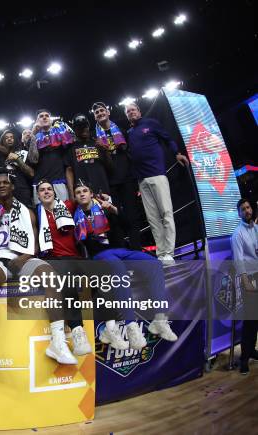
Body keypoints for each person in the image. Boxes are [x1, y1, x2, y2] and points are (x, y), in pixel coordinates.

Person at [0, 169, 71, 373]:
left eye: (5, 182)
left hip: (23, 259)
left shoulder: (27, 211)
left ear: (12, 186)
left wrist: (24, 257)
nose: (2, 185)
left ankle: (57, 342)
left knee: (50, 276)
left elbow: (35, 246)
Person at [72, 181, 178, 350]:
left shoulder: (105, 208)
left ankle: (159, 320)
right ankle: (131, 326)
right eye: (78, 192)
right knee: (118, 270)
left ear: (92, 194)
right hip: (100, 256)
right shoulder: (74, 215)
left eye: (85, 190)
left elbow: (129, 225)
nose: (82, 194)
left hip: (121, 251)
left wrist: (113, 209)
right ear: (75, 197)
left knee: (154, 264)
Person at [125, 103, 189, 262]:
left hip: (157, 175)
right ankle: (162, 254)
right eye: (128, 111)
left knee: (166, 214)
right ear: (126, 116)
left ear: (139, 111)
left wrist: (177, 153)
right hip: (141, 180)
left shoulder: (151, 123)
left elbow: (168, 138)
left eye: (133, 109)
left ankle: (170, 252)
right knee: (153, 219)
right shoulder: (129, 132)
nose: (131, 112)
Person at [34, 180, 92, 356]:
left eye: (49, 189)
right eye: (42, 190)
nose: (46, 192)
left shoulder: (67, 205)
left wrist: (98, 199)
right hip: (54, 258)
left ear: (54, 192)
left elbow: (84, 199)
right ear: (38, 195)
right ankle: (77, 332)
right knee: (66, 281)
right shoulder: (35, 213)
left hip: (77, 257)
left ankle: (113, 327)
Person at [92, 102, 142, 250]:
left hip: (127, 179)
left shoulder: (122, 130)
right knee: (114, 217)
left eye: (102, 110)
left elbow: (131, 154)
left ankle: (137, 251)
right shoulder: (95, 137)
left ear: (108, 112)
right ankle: (120, 252)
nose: (100, 113)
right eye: (97, 112)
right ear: (95, 117)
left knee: (132, 216)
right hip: (110, 183)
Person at [231, 198, 258, 374]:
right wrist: (247, 283)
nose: (247, 211)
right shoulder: (237, 234)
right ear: (239, 213)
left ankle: (251, 351)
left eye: (248, 207)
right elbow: (238, 262)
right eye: (243, 209)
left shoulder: (256, 229)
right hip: (250, 280)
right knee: (250, 322)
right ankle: (244, 360)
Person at [65, 113, 112, 198]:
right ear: (75, 129)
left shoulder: (98, 143)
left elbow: (110, 167)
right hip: (82, 193)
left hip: (102, 190)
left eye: (85, 126)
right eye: (79, 127)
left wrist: (105, 151)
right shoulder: (70, 148)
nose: (83, 129)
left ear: (88, 126)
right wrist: (71, 195)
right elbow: (69, 171)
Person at [0, 129, 38, 209]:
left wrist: (18, 159)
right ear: (2, 141)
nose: (9, 139)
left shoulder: (23, 153)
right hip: (4, 193)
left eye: (11, 137)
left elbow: (31, 173)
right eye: (6, 138)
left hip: (22, 191)